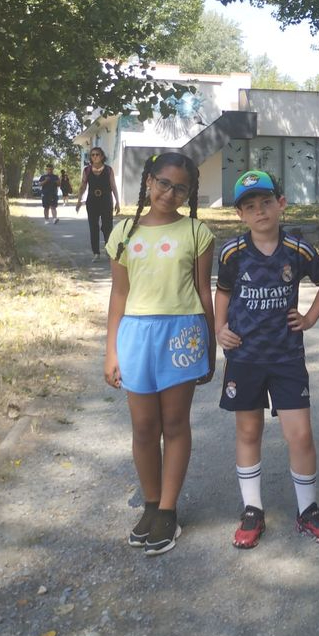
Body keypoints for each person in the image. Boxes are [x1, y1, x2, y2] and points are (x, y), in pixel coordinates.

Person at [214, 169, 319, 549]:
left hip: (287, 358)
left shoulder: (297, 249)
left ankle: (308, 510)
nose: (260, 211)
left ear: (281, 204)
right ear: (240, 214)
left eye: (266, 202)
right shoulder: (232, 252)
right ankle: (252, 511)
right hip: (245, 357)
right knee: (248, 432)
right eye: (250, 206)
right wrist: (220, 328)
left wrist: (310, 318)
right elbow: (223, 292)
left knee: (300, 434)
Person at [104, 152, 216, 556]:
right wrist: (110, 351)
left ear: (190, 193)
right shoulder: (124, 232)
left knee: (175, 423)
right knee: (144, 427)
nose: (170, 193)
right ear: (149, 181)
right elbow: (119, 294)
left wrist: (211, 345)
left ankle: (168, 510)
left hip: (182, 334)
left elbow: (203, 291)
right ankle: (151, 504)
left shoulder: (197, 232)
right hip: (136, 335)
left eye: (180, 188)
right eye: (164, 183)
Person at [76, 147, 121, 262]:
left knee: (107, 226)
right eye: (92, 155)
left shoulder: (108, 170)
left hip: (106, 200)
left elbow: (113, 185)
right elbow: (83, 186)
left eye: (97, 154)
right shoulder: (87, 170)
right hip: (92, 201)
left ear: (102, 156)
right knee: (93, 226)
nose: (95, 156)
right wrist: (79, 200)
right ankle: (96, 252)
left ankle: (108, 249)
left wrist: (117, 201)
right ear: (90, 157)